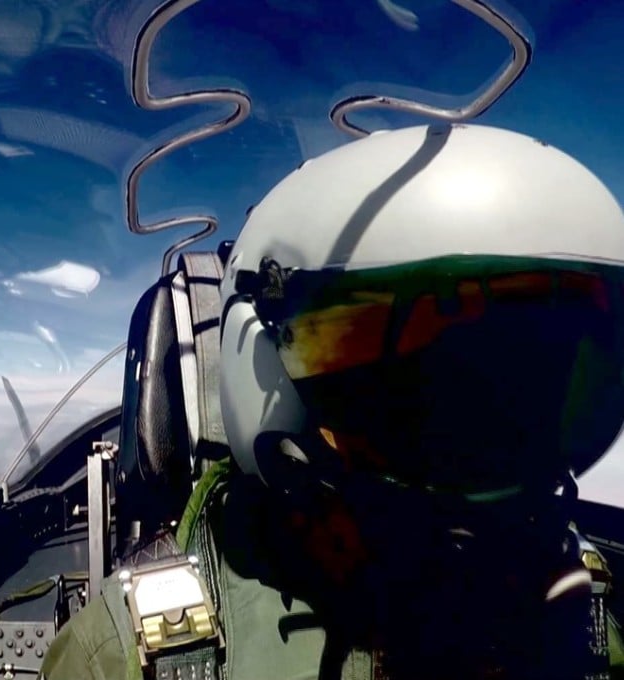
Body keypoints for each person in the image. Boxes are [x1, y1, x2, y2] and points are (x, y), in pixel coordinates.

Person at [40, 123, 624, 680]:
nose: (469, 432)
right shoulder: (125, 657)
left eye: (525, 376)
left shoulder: (581, 607)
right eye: (390, 385)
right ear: (264, 381)